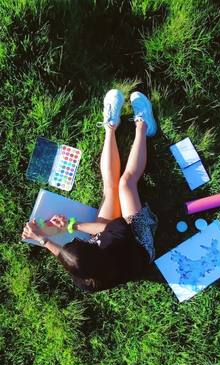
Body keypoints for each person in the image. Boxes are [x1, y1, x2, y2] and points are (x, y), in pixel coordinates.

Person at [21, 89, 159, 292]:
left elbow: (65, 257)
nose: (77, 239)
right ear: (95, 248)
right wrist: (72, 225)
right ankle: (144, 125)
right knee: (125, 183)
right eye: (82, 242)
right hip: (137, 244)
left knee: (109, 190)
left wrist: (42, 239)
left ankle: (110, 127)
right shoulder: (117, 239)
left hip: (111, 246)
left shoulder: (85, 279)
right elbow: (110, 229)